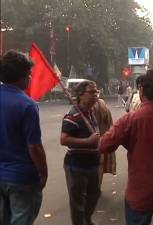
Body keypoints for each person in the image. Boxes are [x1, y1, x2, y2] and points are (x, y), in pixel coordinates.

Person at [99, 68, 153, 225]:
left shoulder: (130, 119)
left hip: (140, 191)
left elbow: (104, 145)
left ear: (142, 90)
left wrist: (127, 141)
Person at [0, 50, 48, 225]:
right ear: (21, 76)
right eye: (29, 74)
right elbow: (34, 146)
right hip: (21, 177)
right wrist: (43, 172)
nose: (30, 78)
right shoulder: (27, 105)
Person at [60, 80, 100, 225]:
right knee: (77, 202)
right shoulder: (73, 115)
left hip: (92, 165)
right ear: (81, 95)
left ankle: (87, 220)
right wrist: (87, 142)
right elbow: (64, 139)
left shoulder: (90, 112)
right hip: (76, 166)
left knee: (94, 195)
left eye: (96, 92)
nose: (95, 95)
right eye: (91, 92)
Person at [92, 97, 116, 191]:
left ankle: (93, 189)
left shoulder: (90, 109)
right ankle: (97, 188)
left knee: (94, 166)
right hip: (102, 140)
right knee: (100, 165)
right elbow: (110, 125)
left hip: (92, 141)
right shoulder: (103, 105)